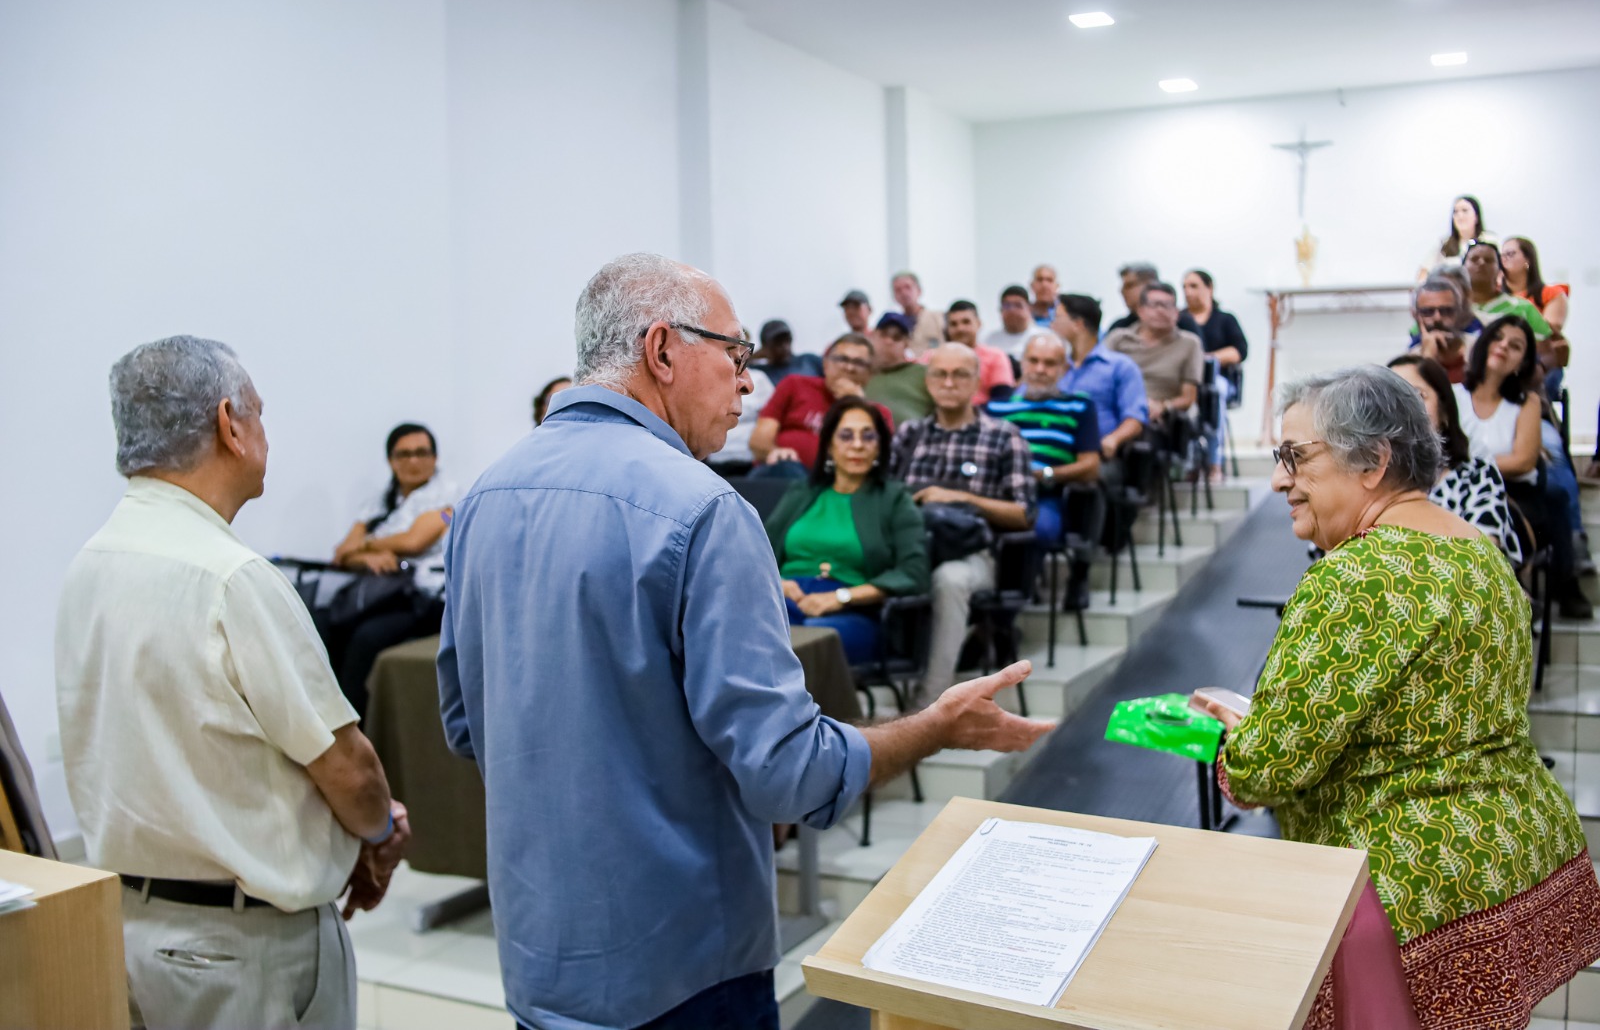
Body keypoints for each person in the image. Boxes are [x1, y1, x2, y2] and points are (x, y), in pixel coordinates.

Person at [437, 253, 1054, 1030]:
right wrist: (936, 726)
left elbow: (465, 724)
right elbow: (789, 773)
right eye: (735, 355)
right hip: (682, 966)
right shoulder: (701, 508)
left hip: (541, 954)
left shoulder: (487, 495)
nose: (749, 384)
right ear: (662, 350)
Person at [1198, 365, 1600, 1029]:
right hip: (1506, 857)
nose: (1278, 481)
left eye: (1295, 457)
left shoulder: (1355, 577)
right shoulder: (1479, 554)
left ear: (1373, 462)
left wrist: (1238, 738)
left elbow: (1264, 768)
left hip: (1405, 886)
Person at [57, 336, 410, 1030]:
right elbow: (346, 766)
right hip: (243, 949)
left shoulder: (88, 567)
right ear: (230, 425)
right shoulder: (233, 579)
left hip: (129, 930)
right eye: (261, 414)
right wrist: (378, 833)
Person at [890, 343, 1035, 701]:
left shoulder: (1003, 435)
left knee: (950, 579)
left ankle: (930, 704)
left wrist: (963, 499)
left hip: (975, 553)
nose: (949, 382)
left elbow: (1023, 514)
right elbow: (885, 497)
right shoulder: (909, 434)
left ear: (977, 381)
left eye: (960, 374)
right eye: (940, 374)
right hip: (913, 545)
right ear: (927, 381)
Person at [764, 397, 930, 664]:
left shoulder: (895, 499)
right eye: (846, 435)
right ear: (829, 444)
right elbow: (758, 555)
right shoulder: (802, 492)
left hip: (854, 611)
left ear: (880, 446)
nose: (858, 445)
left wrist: (841, 597)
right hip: (787, 601)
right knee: (753, 626)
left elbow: (914, 572)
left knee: (810, 639)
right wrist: (779, 584)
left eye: (868, 436)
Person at [1456, 316, 1592, 618]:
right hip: (1460, 496)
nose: (1504, 346)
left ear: (1522, 362)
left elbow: (1523, 461)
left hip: (1514, 497)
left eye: (1515, 346)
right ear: (1483, 343)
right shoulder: (1453, 396)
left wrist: (1468, 464)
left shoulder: (1526, 402)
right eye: (1498, 338)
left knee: (1551, 497)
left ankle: (1518, 594)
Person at [323, 423, 461, 717]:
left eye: (422, 453)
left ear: (435, 458)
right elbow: (341, 554)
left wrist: (365, 545)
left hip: (426, 599)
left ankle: (353, 727)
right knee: (325, 622)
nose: (413, 461)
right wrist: (368, 558)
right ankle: (323, 716)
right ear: (391, 460)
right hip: (385, 594)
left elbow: (414, 542)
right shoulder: (378, 502)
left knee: (366, 638)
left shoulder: (449, 499)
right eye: (404, 454)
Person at [986, 331, 1101, 607]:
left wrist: (1046, 474)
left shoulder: (1079, 405)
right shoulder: (995, 407)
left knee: (1034, 529)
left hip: (1046, 495)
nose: (1040, 369)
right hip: (996, 493)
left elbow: (1091, 466)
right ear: (1022, 363)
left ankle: (1007, 612)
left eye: (1050, 363)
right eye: (1034, 361)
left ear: (1064, 369)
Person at [1387, 354, 1522, 567]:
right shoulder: (1368, 481)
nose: (1404, 409)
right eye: (1391, 399)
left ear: (1444, 411)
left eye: (1417, 395)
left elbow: (1482, 554)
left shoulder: (1477, 475)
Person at [751, 332, 888, 476]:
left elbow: (875, 462)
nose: (849, 368)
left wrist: (856, 404)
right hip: (780, 473)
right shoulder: (794, 385)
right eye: (842, 359)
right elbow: (759, 440)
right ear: (825, 364)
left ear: (870, 373)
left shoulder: (879, 414)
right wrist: (774, 452)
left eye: (859, 363)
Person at [1102, 281, 1203, 450]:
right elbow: (1097, 375)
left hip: (1157, 415)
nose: (1161, 311)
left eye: (1167, 305)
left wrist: (1163, 406)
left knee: (1143, 437)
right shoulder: (1118, 338)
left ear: (1176, 313)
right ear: (1140, 310)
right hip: (1116, 407)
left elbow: (1188, 397)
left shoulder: (1189, 344)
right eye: (1155, 305)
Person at [1052, 293, 1147, 465]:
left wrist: (1114, 439)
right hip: (1053, 449)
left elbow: (1135, 419)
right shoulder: (1054, 366)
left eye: (1058, 317)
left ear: (1078, 324)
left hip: (1099, 455)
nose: (1052, 324)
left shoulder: (1120, 366)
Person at [1180, 270, 1248, 482]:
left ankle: (1214, 462)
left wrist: (1207, 358)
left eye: (1193, 286)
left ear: (1209, 288)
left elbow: (1239, 351)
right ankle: (1187, 463)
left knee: (1213, 392)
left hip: (1219, 381)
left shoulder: (1225, 320)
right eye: (1184, 287)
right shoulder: (1180, 320)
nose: (1187, 291)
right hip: (1186, 381)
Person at [1501, 235, 1571, 400]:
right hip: (1504, 355)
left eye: (1510, 254)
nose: (1504, 259)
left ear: (1528, 260)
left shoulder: (1550, 293)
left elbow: (1551, 329)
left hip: (1540, 358)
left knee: (1539, 385)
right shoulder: (1495, 297)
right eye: (1501, 255)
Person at [707, 335, 775, 477]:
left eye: (744, 344)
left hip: (749, 460)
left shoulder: (759, 378)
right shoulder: (711, 375)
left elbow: (772, 416)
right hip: (714, 458)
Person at [940, 299, 1015, 405]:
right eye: (953, 324)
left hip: (985, 414)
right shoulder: (933, 358)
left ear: (979, 323)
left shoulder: (995, 356)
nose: (960, 328)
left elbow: (1002, 400)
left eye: (966, 322)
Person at [864, 313, 934, 426]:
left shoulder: (924, 373)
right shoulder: (861, 373)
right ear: (873, 336)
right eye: (884, 334)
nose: (889, 341)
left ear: (907, 343)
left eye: (897, 337)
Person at [1408, 275, 1481, 384]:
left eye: (1446, 311)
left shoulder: (1480, 349)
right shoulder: (1409, 362)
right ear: (1416, 316)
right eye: (1428, 311)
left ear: (1459, 313)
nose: (1437, 318)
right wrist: (1428, 358)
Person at [1416, 194, 1492, 279]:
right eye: (1456, 212)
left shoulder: (1489, 240)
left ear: (1476, 217)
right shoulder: (1445, 244)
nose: (1460, 215)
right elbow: (1423, 272)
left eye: (1464, 210)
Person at [749, 318, 822, 386]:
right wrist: (754, 355)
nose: (784, 346)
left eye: (787, 339)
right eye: (778, 342)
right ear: (765, 347)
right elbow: (742, 365)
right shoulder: (761, 372)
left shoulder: (809, 360)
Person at [890, 270, 945, 353]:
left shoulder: (939, 318)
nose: (904, 293)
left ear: (919, 290)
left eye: (908, 287)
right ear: (894, 296)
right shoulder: (894, 325)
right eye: (898, 290)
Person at [1105, 261, 1162, 333]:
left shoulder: (1173, 323)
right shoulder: (1119, 328)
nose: (1122, 291)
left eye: (1130, 285)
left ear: (1150, 286)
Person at [984, 284, 1036, 360]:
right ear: (1000, 310)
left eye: (1018, 305)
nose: (1012, 310)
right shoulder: (987, 341)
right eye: (1007, 305)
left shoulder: (1043, 338)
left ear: (1029, 309)